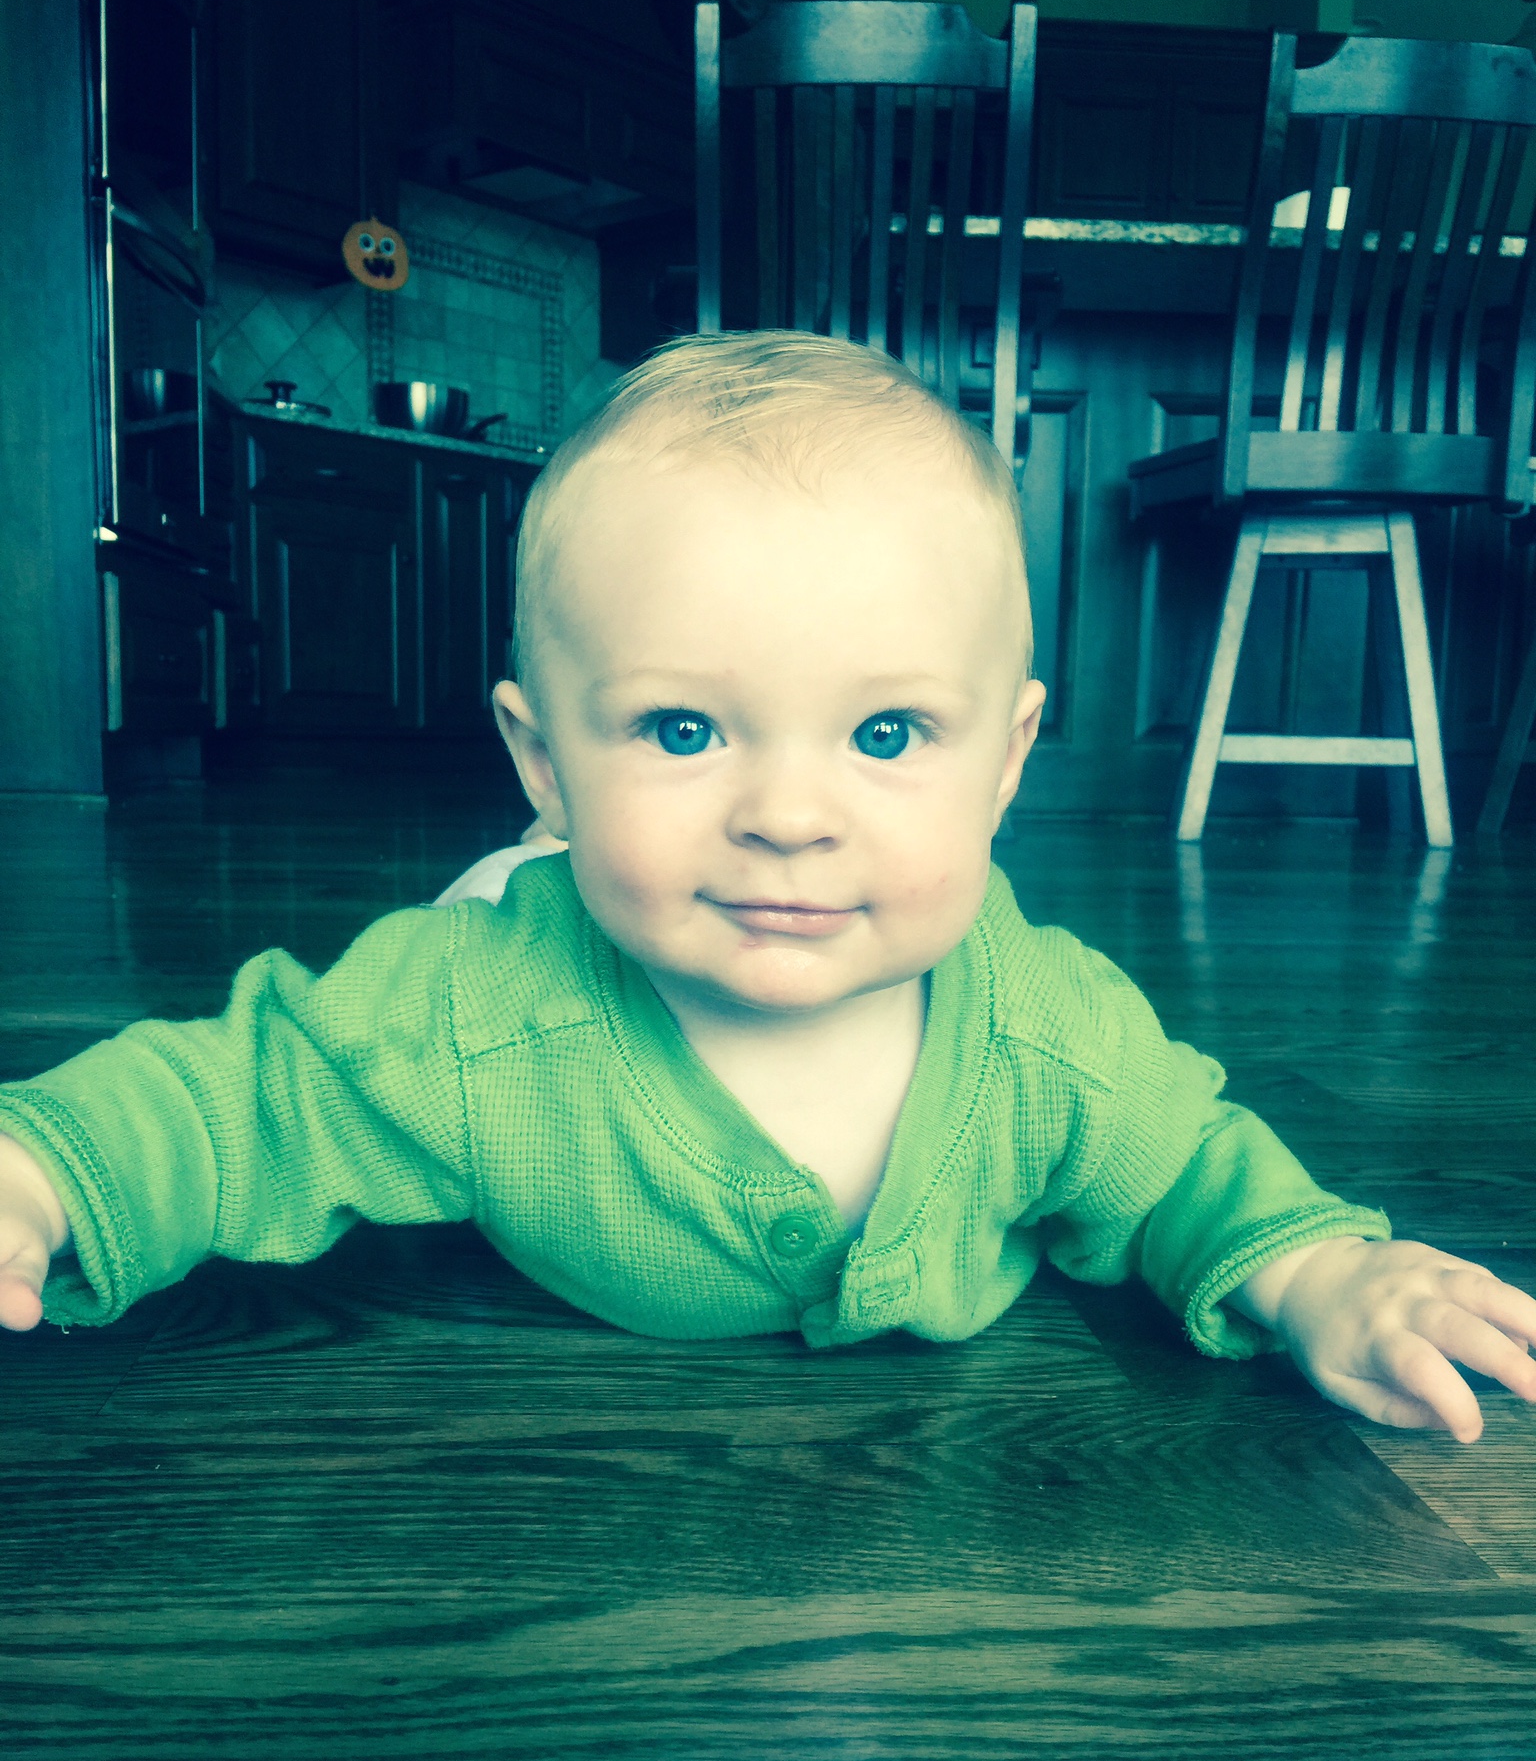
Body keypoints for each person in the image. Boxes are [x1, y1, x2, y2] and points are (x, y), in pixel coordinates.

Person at [0, 332, 1531, 1445]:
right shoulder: (476, 1015)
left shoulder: (1047, 1033)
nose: (790, 819)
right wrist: (41, 1175)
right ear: (543, 757)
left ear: (1007, 761)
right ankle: (539, 853)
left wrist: (1322, 1274)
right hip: (540, 911)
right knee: (496, 918)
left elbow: (1185, 1161)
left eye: (887, 735)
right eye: (684, 729)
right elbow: (240, 1096)